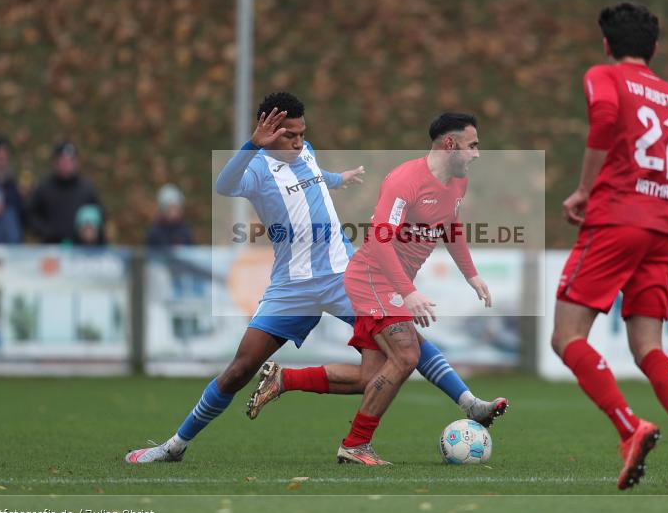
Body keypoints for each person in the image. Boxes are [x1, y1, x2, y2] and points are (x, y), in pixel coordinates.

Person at [124, 94, 505, 464]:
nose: (299, 141)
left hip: (344, 276)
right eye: (289, 135)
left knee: (408, 347)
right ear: (267, 131)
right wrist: (250, 146)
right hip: (291, 286)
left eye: (302, 133)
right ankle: (174, 446)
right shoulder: (255, 169)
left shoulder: (306, 152)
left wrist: (339, 179)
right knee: (239, 369)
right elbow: (223, 186)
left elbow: (313, 176)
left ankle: (468, 402)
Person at [552, 2, 668, 493]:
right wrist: (661, 192)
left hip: (614, 219)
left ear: (607, 44)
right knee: (647, 347)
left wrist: (584, 189)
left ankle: (630, 428)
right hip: (660, 229)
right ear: (655, 49)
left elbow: (603, 118)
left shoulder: (605, 76)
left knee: (566, 336)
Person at [316, 112, 496, 466]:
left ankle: (283, 379)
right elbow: (381, 242)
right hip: (371, 277)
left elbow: (452, 228)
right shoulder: (404, 181)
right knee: (408, 354)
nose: (477, 154)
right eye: (472, 146)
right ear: (450, 144)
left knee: (371, 374)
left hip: (392, 283)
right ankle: (355, 444)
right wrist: (408, 292)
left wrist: (471, 274)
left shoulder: (457, 182)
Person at [27, 142, 104, 245]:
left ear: (76, 163)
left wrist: (91, 232)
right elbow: (30, 214)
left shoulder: (86, 188)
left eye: (70, 161)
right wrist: (45, 230)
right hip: (51, 248)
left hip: (81, 248)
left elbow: (98, 216)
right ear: (55, 162)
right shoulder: (44, 187)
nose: (66, 165)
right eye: (62, 160)